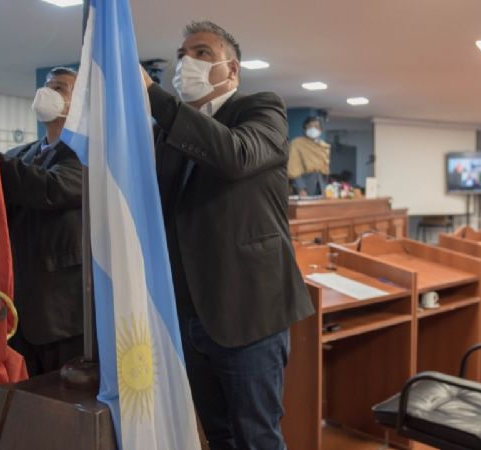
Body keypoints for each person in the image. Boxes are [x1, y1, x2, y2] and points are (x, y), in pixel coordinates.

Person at [142, 21, 314, 450]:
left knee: (256, 435)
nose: (186, 62)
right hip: (190, 313)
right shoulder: (171, 133)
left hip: (248, 312)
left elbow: (234, 156)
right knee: (218, 435)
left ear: (232, 70)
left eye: (201, 53)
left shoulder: (262, 110)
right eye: (182, 54)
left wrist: (153, 96)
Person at [0, 67, 84, 376]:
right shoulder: (21, 155)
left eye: (60, 88)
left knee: (62, 404)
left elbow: (50, 188)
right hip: (19, 308)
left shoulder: (88, 153)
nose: (46, 94)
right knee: (25, 403)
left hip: (63, 316)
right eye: (46, 87)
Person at [287, 116, 331, 196]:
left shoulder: (324, 146)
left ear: (320, 130)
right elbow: (293, 168)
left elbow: (325, 169)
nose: (313, 129)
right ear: (305, 128)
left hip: (321, 187)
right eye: (310, 126)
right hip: (304, 188)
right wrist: (301, 188)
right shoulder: (297, 144)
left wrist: (326, 187)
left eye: (316, 126)